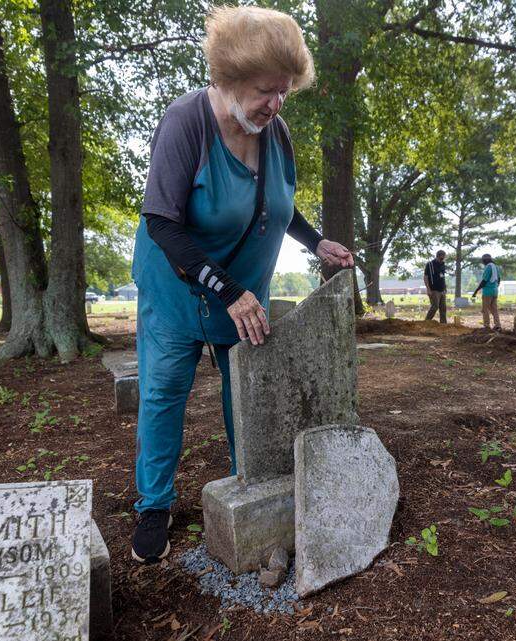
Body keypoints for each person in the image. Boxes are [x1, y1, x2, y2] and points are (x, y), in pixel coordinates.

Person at [130, 6, 354, 564]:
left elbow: (278, 203)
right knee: (163, 394)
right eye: (264, 91)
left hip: (244, 297)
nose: (275, 104)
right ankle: (154, 504)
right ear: (225, 80)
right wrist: (224, 290)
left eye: (284, 91)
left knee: (247, 393)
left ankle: (248, 482)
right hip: (179, 289)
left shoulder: (275, 131)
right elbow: (161, 222)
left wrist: (316, 241)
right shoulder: (185, 123)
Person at [471, 254, 502, 330]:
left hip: (487, 292)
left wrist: (476, 291)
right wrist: (495, 287)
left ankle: (486, 326)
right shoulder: (496, 267)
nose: (483, 262)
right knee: (494, 309)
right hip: (495, 291)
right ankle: (498, 325)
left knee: (485, 310)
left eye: (483, 260)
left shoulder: (488, 267)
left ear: (485, 260)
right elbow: (499, 279)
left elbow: (484, 281)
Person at [423, 250, 448, 323]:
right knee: (435, 306)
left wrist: (445, 287)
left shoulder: (443, 264)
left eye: (443, 258)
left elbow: (443, 276)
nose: (442, 260)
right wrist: (428, 289)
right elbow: (425, 277)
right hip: (434, 290)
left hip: (442, 290)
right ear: (437, 256)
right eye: (441, 258)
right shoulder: (430, 264)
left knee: (443, 308)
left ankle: (443, 324)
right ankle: (426, 322)